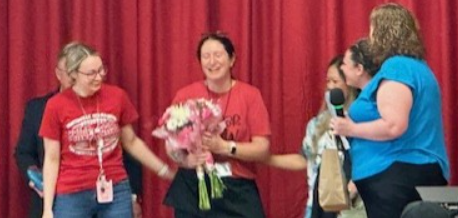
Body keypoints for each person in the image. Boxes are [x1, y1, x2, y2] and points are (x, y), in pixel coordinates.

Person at [331, 3, 450, 218]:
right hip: (413, 171)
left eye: (372, 29)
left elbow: (394, 125)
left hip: (396, 174)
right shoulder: (419, 69)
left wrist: (350, 128)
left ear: (383, 32)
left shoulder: (397, 68)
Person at [38, 42, 175, 218]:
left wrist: (163, 170)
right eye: (91, 73)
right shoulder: (55, 105)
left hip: (115, 188)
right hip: (72, 193)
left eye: (101, 70)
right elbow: (52, 158)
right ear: (73, 74)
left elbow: (131, 142)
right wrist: (47, 209)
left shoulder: (117, 96)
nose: (99, 77)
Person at [14, 45, 145, 218]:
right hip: (57, 196)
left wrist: (133, 195)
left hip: (110, 195)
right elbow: (24, 152)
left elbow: (129, 149)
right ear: (58, 74)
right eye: (68, 71)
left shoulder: (111, 101)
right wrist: (36, 178)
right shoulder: (39, 108)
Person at [163, 32, 271, 218]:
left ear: (232, 59)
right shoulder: (186, 94)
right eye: (206, 56)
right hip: (193, 186)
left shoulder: (250, 95)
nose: (212, 62)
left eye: (218, 55)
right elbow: (170, 144)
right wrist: (186, 161)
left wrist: (226, 147)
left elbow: (262, 149)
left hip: (236, 187)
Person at [266, 51, 371, 218]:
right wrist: (267, 159)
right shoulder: (317, 124)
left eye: (335, 81)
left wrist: (352, 187)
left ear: (349, 84)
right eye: (327, 81)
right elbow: (305, 159)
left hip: (353, 208)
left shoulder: (362, 121)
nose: (329, 86)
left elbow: (370, 160)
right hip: (318, 207)